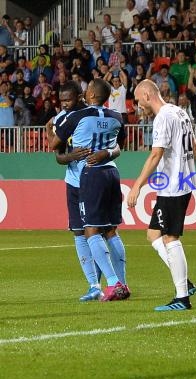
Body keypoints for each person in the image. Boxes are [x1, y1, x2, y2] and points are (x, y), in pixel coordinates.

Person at [49, 78, 129, 302]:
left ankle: (114, 283)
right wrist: (72, 156)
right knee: (88, 231)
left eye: (70, 98)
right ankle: (95, 285)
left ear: (85, 95)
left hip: (89, 177)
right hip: (88, 176)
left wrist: (51, 133)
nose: (65, 103)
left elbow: (54, 145)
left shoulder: (76, 117)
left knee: (93, 231)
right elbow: (117, 146)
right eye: (62, 100)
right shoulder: (115, 117)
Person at [127, 79, 196, 311]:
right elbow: (195, 148)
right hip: (180, 182)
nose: (139, 107)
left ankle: (182, 298)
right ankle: (184, 282)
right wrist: (187, 172)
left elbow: (156, 154)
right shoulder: (180, 112)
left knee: (170, 238)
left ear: (148, 95)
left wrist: (137, 185)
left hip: (173, 187)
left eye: (139, 101)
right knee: (153, 234)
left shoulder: (163, 117)